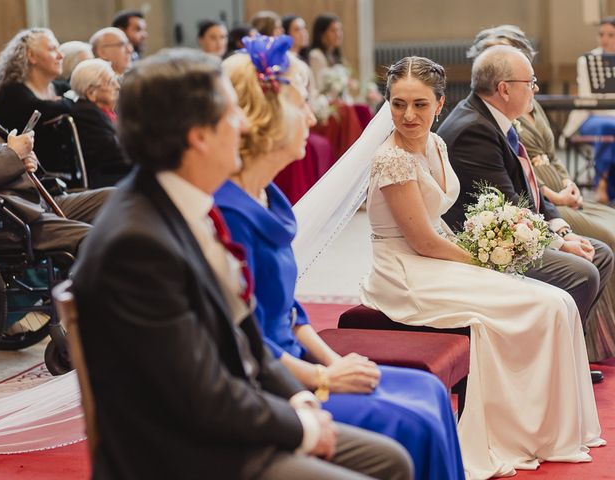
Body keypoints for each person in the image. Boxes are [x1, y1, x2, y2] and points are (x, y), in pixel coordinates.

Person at [71, 47, 412, 480]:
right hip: (186, 452)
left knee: (392, 460)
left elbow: (246, 337)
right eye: (233, 114)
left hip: (228, 419)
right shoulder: (137, 245)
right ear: (198, 135)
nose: (247, 125)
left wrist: (303, 401)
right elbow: (200, 395)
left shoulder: (183, 204)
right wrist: (303, 427)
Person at [216, 35, 464, 480]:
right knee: (415, 421)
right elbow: (238, 339)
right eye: (302, 104)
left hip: (296, 359)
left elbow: (288, 310)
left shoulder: (269, 197)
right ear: (265, 118)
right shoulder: (225, 216)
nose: (312, 118)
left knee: (428, 390)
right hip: (267, 379)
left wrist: (330, 360)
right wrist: (324, 378)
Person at [360, 55, 605, 479]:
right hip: (405, 273)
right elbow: (421, 241)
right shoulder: (391, 160)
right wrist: (485, 261)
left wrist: (491, 248)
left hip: (435, 257)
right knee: (536, 305)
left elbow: (438, 231)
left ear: (440, 104)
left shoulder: (436, 144)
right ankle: (515, 429)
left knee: (560, 302)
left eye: (419, 104)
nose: (408, 115)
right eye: (398, 104)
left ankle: (549, 428)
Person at [438, 46, 614, 363]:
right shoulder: (474, 131)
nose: (535, 88)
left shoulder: (494, 116)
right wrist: (561, 244)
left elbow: (529, 189)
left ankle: (565, 352)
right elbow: (509, 207)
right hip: (485, 247)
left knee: (599, 252)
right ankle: (544, 361)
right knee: (584, 272)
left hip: (511, 230)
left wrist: (562, 230)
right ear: (504, 89)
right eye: (530, 81)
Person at [0, 96, 110, 254]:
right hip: (11, 217)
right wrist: (12, 155)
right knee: (100, 240)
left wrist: (23, 159)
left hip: (34, 198)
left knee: (117, 198)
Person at [0, 28, 73, 171]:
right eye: (52, 49)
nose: (61, 55)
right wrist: (66, 102)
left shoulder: (61, 88)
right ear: (31, 56)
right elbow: (43, 109)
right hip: (32, 178)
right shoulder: (12, 94)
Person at [563, 16, 615, 203]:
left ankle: (606, 183)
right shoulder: (587, 61)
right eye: (601, 34)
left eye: (611, 35)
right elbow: (585, 100)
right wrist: (567, 132)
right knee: (608, 127)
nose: (605, 39)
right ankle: (601, 184)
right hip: (592, 118)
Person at [70, 58, 129, 187]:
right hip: (109, 177)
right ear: (91, 93)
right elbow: (114, 151)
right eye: (110, 82)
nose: (117, 86)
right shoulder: (86, 113)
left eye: (115, 79)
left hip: (120, 171)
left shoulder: (107, 112)